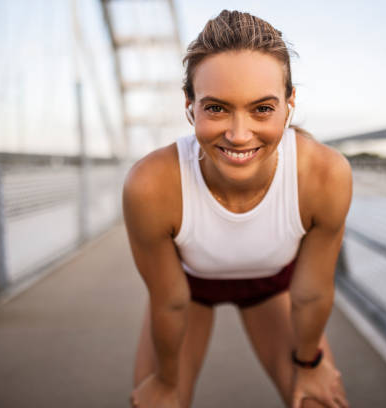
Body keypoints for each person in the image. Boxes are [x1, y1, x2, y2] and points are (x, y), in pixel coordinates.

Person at [122, 10, 352, 408]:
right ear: (190, 105)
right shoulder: (151, 184)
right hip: (189, 291)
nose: (239, 134)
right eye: (216, 109)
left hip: (272, 288)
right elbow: (170, 299)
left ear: (289, 103)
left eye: (262, 108)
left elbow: (311, 293)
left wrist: (310, 364)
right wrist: (165, 381)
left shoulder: (325, 174)